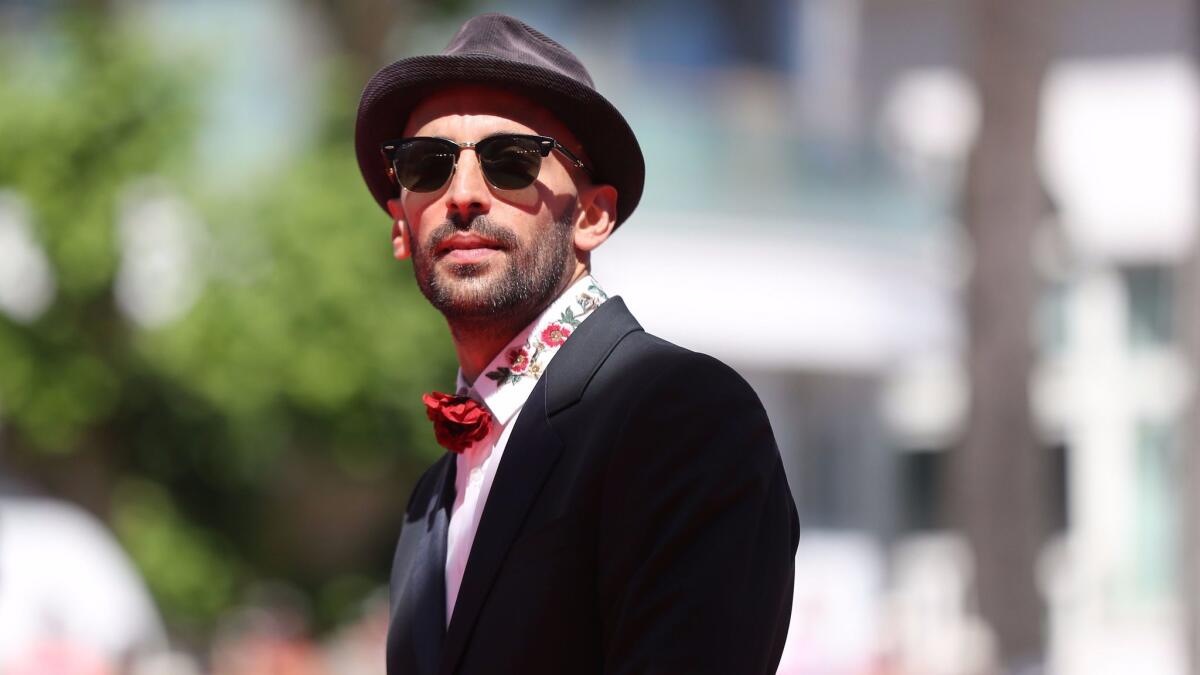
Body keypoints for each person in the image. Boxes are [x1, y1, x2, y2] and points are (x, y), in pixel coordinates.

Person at [353, 13, 799, 675]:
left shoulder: (681, 415)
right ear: (400, 226)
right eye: (426, 166)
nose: (465, 194)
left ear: (592, 216)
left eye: (510, 161)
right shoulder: (429, 501)